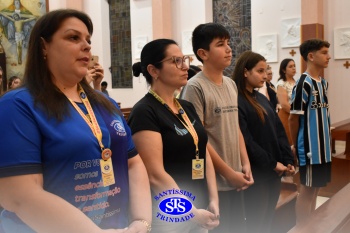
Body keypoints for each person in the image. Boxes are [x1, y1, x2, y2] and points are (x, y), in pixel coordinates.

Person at [0, 9, 151, 233]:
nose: (87, 46)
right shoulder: (18, 105)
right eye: (73, 37)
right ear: (44, 46)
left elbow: (133, 162)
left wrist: (141, 222)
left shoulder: (103, 102)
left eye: (88, 40)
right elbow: (18, 195)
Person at [128, 38, 219, 233]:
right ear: (154, 71)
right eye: (176, 61)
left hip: (199, 205)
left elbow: (202, 150)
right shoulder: (145, 111)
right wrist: (191, 213)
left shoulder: (186, 107)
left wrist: (213, 198)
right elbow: (155, 175)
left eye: (184, 59)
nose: (185, 66)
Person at [180, 23, 254, 233]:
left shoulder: (231, 84)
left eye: (229, 43)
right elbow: (199, 138)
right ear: (203, 53)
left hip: (236, 177)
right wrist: (228, 173)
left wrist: (245, 163)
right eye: (221, 44)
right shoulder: (195, 87)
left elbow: (235, 126)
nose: (229, 49)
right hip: (216, 184)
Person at [232, 51, 295, 233]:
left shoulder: (261, 97)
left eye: (266, 70)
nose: (265, 75)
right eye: (260, 71)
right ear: (245, 72)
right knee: (255, 223)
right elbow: (246, 140)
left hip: (274, 171)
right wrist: (272, 163)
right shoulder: (237, 100)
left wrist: (287, 159)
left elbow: (279, 131)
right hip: (258, 172)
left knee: (268, 220)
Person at [289, 39, 332, 226]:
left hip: (323, 148)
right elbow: (293, 118)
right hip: (309, 148)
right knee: (306, 190)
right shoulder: (303, 84)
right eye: (324, 52)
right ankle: (303, 228)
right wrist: (295, 146)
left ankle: (312, 225)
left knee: (316, 189)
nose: (328, 56)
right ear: (311, 56)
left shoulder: (323, 83)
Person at [276, 58, 296, 145]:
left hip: (296, 115)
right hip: (286, 116)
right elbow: (284, 104)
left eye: (294, 66)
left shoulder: (297, 82)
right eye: (290, 66)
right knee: (289, 142)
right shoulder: (281, 83)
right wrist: (296, 113)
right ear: (284, 70)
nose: (294, 68)